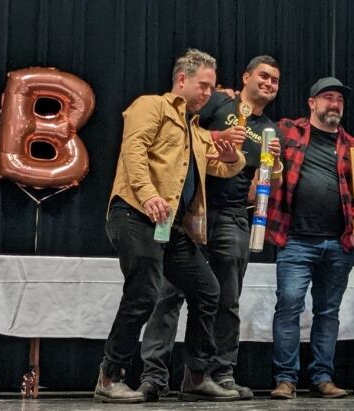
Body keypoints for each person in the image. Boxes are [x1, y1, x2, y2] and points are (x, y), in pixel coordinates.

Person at [94, 48, 246, 403]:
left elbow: (226, 167)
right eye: (203, 86)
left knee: (208, 290)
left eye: (211, 88)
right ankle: (109, 376)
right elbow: (134, 150)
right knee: (144, 293)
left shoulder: (195, 130)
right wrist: (148, 195)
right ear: (182, 80)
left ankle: (196, 375)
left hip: (169, 226)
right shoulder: (152, 106)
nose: (208, 94)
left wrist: (231, 154)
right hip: (135, 213)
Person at [137, 55, 283, 401]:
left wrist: (273, 165)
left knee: (226, 300)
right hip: (191, 210)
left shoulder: (270, 130)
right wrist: (217, 136)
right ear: (246, 77)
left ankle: (217, 374)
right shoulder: (216, 100)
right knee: (168, 294)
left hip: (233, 216)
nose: (268, 83)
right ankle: (154, 376)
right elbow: (179, 131)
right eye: (263, 76)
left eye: (275, 80)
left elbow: (257, 190)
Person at [265, 77, 354, 400]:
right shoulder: (287, 132)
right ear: (312, 103)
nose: (334, 104)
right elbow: (261, 141)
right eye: (327, 98)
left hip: (338, 244)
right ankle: (285, 379)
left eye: (339, 99)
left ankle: (322, 378)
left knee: (328, 312)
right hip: (295, 241)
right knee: (288, 308)